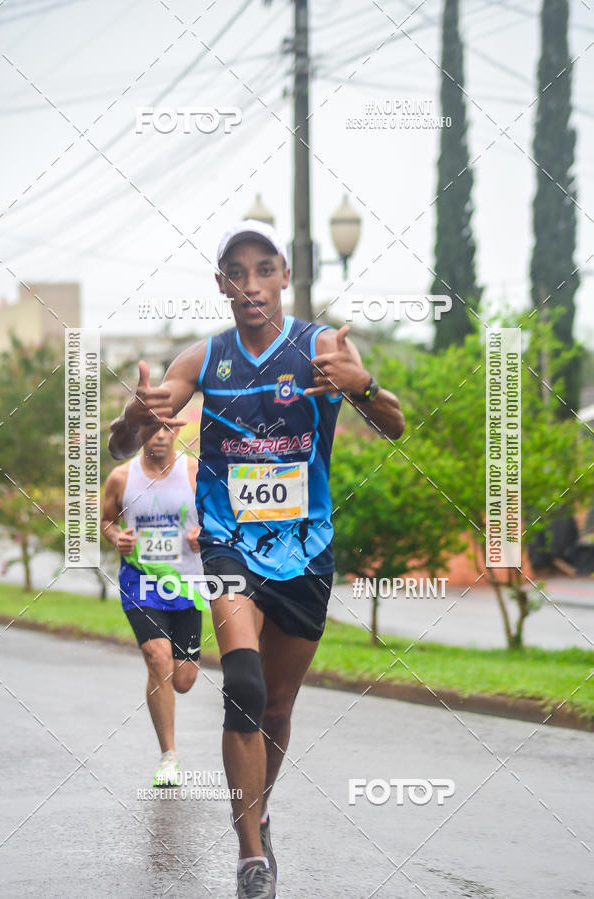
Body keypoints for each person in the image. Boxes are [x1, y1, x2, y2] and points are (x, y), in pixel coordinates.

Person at [108, 219, 405, 898]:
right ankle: (250, 856)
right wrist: (133, 415)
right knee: (241, 686)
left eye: (263, 269)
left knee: (275, 709)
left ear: (284, 277)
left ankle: (259, 809)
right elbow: (132, 434)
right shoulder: (203, 358)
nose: (250, 285)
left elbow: (394, 423)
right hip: (228, 540)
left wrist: (362, 385)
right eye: (236, 272)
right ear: (221, 284)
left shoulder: (320, 348)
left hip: (306, 549)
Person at [101, 424, 206, 787]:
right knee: (158, 658)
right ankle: (169, 757)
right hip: (140, 581)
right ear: (140, 433)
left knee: (184, 679)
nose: (159, 435)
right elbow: (106, 521)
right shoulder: (120, 477)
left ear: (175, 431)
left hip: (187, 583)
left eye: (166, 428)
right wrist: (118, 536)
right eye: (151, 429)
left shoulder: (194, 471)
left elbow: (220, 517)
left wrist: (201, 535)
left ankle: (170, 748)